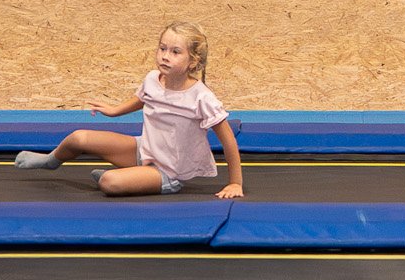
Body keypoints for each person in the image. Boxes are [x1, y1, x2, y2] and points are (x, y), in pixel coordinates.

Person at [18, 23, 246, 197]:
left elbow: (228, 140)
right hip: (142, 149)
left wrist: (235, 182)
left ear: (193, 62)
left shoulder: (201, 97)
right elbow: (141, 99)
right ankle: (50, 160)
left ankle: (124, 178)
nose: (165, 56)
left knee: (110, 183)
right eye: (162, 48)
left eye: (175, 52)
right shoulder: (152, 79)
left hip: (168, 170)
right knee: (79, 138)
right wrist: (114, 111)